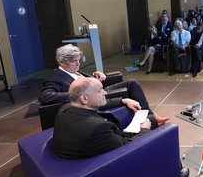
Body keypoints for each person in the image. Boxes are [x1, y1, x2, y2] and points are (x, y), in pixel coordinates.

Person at [51, 78, 190, 177]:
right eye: (100, 90)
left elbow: (99, 105)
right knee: (164, 135)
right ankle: (175, 174)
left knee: (151, 119)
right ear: (84, 98)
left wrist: (122, 100)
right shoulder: (97, 129)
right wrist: (144, 130)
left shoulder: (66, 108)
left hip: (97, 147)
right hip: (111, 164)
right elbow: (128, 149)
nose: (105, 92)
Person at [39, 44, 169, 125]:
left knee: (132, 83)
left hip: (99, 91)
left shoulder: (74, 70)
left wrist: (94, 75)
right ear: (62, 62)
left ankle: (149, 114)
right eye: (74, 61)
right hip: (91, 99)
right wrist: (76, 94)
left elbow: (85, 80)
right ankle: (150, 117)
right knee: (131, 85)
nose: (78, 64)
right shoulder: (55, 77)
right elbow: (45, 97)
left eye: (78, 60)